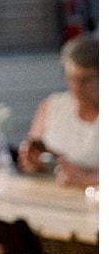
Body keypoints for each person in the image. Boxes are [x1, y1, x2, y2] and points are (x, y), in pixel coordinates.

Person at [18, 33, 98, 188]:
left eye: (85, 80)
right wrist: (32, 161)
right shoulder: (52, 105)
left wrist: (86, 179)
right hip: (51, 193)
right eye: (71, 78)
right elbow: (32, 162)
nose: (77, 86)